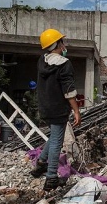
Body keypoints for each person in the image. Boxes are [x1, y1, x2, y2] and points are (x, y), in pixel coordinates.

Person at [30, 28, 81, 191]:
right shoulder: (65, 64)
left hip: (45, 106)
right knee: (57, 142)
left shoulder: (41, 61)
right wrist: (76, 111)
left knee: (54, 136)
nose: (64, 45)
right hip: (58, 108)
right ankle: (51, 177)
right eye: (62, 41)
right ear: (57, 44)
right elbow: (69, 91)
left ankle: (41, 164)